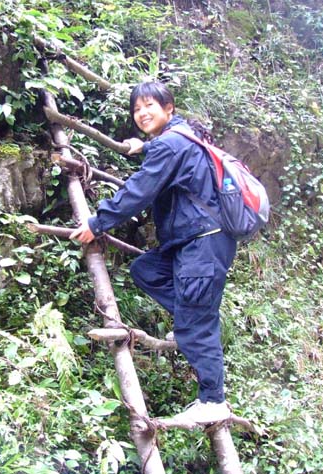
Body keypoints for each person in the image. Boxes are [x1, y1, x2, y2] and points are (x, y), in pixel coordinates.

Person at [69, 81, 238, 424]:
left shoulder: (170, 144)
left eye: (150, 106)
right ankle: (192, 319)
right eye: (137, 109)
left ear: (169, 108)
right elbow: (168, 158)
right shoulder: (182, 137)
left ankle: (213, 400)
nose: (142, 113)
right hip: (196, 241)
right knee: (146, 270)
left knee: (196, 324)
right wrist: (143, 146)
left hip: (201, 243)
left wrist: (98, 222)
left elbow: (139, 191)